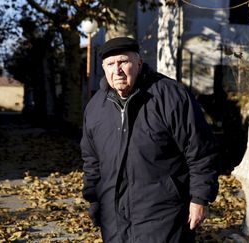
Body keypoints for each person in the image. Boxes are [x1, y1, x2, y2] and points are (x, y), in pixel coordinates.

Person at [81, 36, 219, 243]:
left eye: (123, 62)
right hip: (114, 216)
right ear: (103, 68)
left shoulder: (171, 95)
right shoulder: (95, 107)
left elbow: (200, 150)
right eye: (110, 64)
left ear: (139, 63)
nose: (116, 70)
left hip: (164, 213)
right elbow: (92, 160)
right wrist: (94, 199)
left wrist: (199, 198)